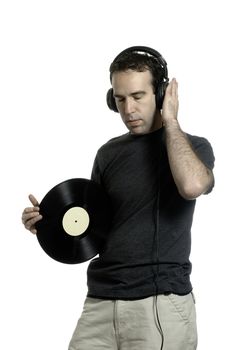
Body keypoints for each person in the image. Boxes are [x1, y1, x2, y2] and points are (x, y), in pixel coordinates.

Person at [21, 46, 215, 350]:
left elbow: (191, 186)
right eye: (120, 99)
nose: (128, 110)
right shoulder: (108, 153)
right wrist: (49, 223)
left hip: (157, 306)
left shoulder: (194, 148)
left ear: (161, 94)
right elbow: (94, 223)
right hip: (100, 301)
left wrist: (172, 122)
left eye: (138, 97)